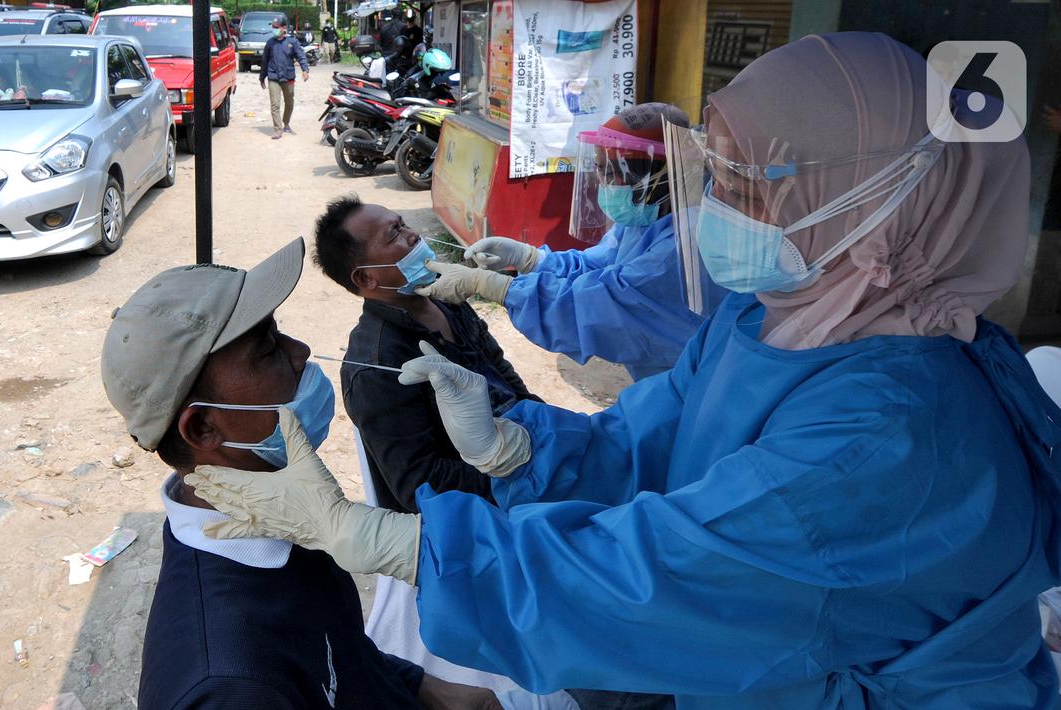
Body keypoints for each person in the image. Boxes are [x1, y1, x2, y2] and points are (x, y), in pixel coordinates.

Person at [183, 33, 1061, 708]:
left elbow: (650, 577)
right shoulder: (776, 320)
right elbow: (651, 439)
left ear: (885, 205)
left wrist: (392, 544)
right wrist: (522, 448)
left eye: (751, 184)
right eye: (712, 174)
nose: (714, 207)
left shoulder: (888, 435)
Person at [100, 239, 501, 709]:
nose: (301, 350)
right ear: (204, 426)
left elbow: (341, 658)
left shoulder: (284, 519)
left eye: (279, 331)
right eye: (267, 349)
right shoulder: (230, 684)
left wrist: (423, 688)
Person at [313, 198, 581, 710]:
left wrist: (556, 441)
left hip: (536, 473)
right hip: (491, 523)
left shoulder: (446, 299)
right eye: (393, 236)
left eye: (404, 224)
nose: (413, 236)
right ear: (368, 279)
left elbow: (506, 379)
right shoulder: (374, 365)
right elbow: (419, 484)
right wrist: (516, 478)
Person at [417, 103, 719, 380]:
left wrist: (496, 288)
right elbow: (598, 265)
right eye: (598, 168)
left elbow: (597, 306)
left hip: (694, 381)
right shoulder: (646, 218)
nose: (601, 180)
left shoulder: (683, 246)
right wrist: (533, 259)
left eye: (611, 171)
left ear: (659, 176)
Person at [259, 18, 309, 140]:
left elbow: (301, 56)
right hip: (273, 77)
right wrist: (262, 77)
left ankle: (286, 123)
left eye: (277, 27)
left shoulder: (292, 42)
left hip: (288, 77)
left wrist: (305, 70)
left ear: (284, 28)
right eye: (273, 27)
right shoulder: (270, 43)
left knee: (289, 103)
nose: (274, 29)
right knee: (275, 105)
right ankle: (277, 129)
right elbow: (264, 61)